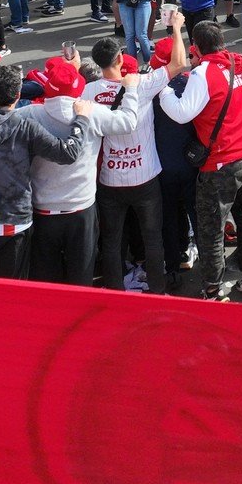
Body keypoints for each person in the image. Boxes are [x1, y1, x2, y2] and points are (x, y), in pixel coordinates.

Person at [0, 62, 113, 280]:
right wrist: (81, 119)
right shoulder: (25, 125)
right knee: (14, 294)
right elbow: (68, 153)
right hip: (13, 225)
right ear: (17, 95)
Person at [21, 49, 147, 287]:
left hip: (42, 210)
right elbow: (129, 122)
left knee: (46, 280)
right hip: (81, 209)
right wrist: (130, 90)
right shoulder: (92, 112)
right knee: (81, 276)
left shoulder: (29, 114)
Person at [158, 19, 242, 300]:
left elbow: (182, 113)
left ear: (196, 47)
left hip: (220, 162)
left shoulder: (202, 73)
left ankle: (213, 289)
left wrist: (165, 90)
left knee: (211, 229)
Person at [87, 27, 181, 292]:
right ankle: (158, 291)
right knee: (152, 240)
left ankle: (116, 294)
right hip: (145, 177)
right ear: (120, 60)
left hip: (110, 179)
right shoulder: (142, 83)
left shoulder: (88, 91)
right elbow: (179, 64)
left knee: (112, 242)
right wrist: (175, 28)